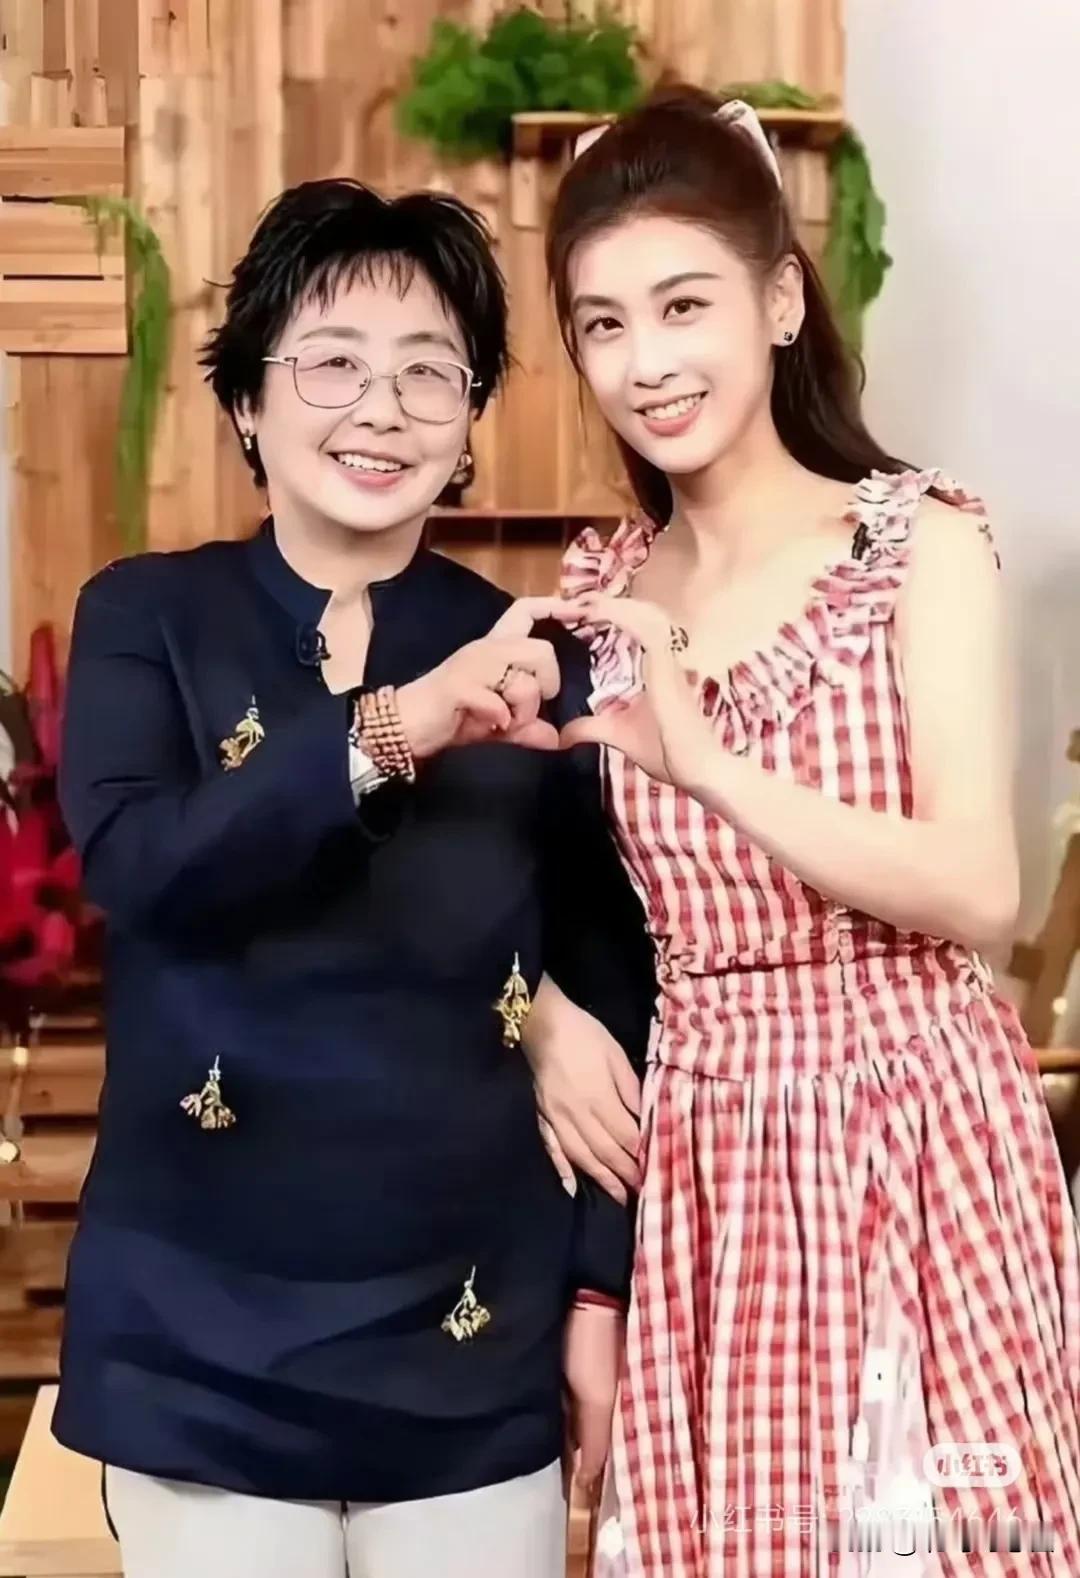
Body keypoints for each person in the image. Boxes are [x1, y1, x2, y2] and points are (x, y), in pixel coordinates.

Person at [55, 178, 654, 1578]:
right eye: (332, 363)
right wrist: (394, 727)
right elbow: (145, 866)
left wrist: (597, 1291)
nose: (381, 410)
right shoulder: (147, 616)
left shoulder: (536, 653)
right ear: (247, 401)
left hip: (470, 1341)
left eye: (428, 373)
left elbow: (616, 969)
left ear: (468, 421)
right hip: (200, 1346)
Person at [527, 87, 1080, 1576]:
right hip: (707, 1156)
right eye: (603, 325)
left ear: (779, 301)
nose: (646, 363)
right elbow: (558, 911)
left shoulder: (917, 541)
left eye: (683, 304)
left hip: (916, 1131)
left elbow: (978, 886)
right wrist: (543, 1017)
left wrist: (707, 762)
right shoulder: (599, 594)